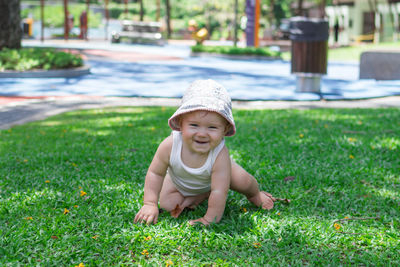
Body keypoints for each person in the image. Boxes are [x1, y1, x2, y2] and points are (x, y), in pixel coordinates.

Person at [134, 79, 276, 226]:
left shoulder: (219, 154)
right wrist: (150, 203)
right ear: (181, 123)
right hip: (179, 181)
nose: (202, 134)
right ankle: (201, 195)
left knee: (243, 181)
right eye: (194, 125)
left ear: (225, 130)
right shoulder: (170, 145)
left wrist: (209, 219)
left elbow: (219, 191)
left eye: (212, 127)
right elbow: (155, 173)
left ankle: (255, 195)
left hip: (219, 176)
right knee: (167, 204)